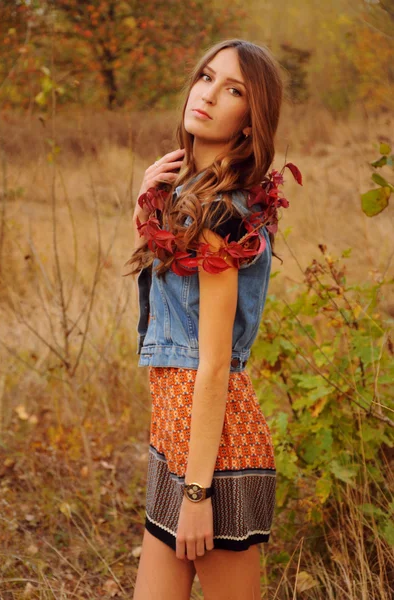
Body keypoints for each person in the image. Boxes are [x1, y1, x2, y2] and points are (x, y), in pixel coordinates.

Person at [124, 38, 302, 600]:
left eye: (233, 91)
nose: (207, 94)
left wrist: (198, 495)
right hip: (176, 434)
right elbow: (173, 302)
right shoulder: (191, 197)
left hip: (216, 451)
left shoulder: (221, 214)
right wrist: (145, 204)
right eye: (206, 77)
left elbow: (215, 361)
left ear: (250, 123)